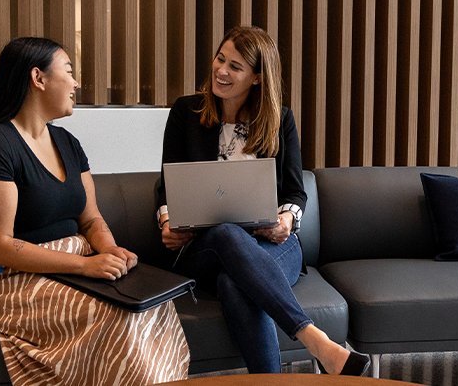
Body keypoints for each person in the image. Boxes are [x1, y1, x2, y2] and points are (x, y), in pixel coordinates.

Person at [0, 37, 189, 385]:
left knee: (152, 304)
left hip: (63, 265)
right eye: (69, 72)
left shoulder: (68, 143)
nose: (75, 83)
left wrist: (110, 250)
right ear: (38, 78)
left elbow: (91, 218)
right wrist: (86, 265)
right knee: (114, 315)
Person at [155, 26, 370, 376]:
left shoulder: (280, 119)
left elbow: (295, 192)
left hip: (271, 246)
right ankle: (318, 342)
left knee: (233, 283)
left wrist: (286, 221)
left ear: (256, 77)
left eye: (235, 67)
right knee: (226, 233)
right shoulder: (186, 112)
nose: (221, 71)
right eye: (220, 59)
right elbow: (167, 183)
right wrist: (167, 221)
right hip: (205, 247)